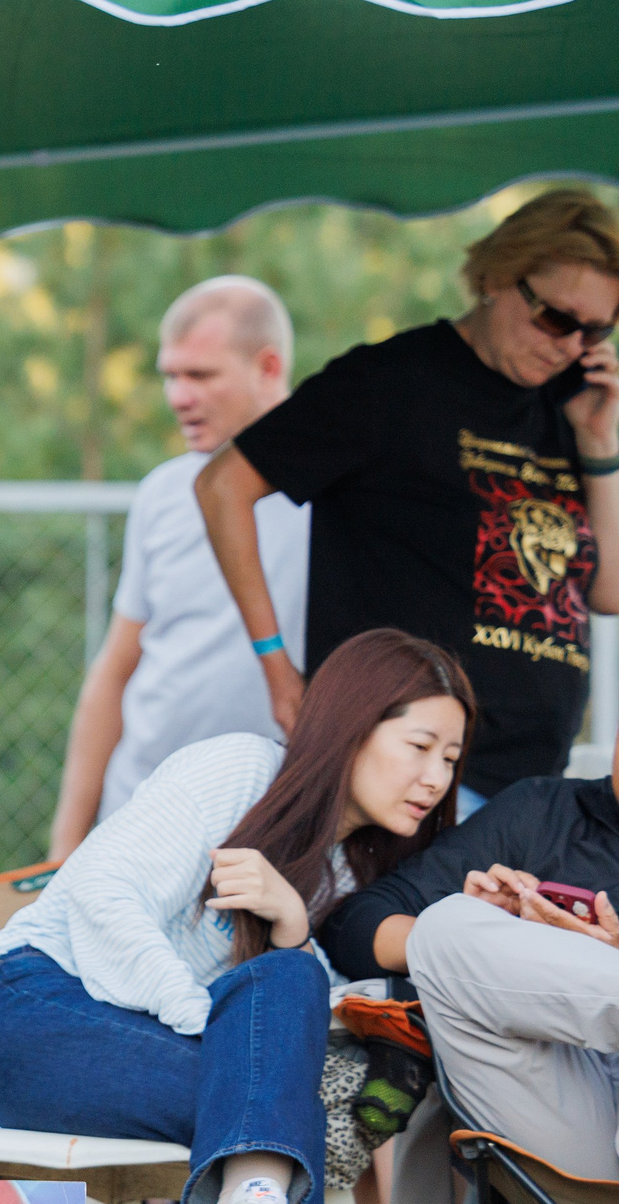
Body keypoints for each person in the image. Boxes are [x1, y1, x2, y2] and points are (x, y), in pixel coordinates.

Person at [0, 629, 467, 1204]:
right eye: (419, 745)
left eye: (452, 758)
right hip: (38, 1015)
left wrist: (297, 928)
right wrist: (205, 1024)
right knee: (273, 1102)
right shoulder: (241, 769)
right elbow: (98, 892)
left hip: (172, 1064)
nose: (436, 778)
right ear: (352, 725)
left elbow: (314, 1025)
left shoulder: (351, 880)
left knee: (280, 1016)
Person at [199, 189, 619, 816]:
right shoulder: (390, 381)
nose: (568, 345)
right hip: (407, 776)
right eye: (558, 318)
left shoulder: (571, 406)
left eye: (596, 331)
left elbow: (608, 592)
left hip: (531, 782)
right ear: (498, 276)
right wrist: (277, 669)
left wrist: (599, 446)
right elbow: (222, 485)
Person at [321, 745, 619, 1204]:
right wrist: (513, 941)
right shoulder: (547, 810)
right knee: (451, 924)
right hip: (579, 1141)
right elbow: (354, 923)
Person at [50, 278, 305, 858]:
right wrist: (65, 845)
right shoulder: (163, 492)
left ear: (268, 367)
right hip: (140, 816)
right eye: (170, 375)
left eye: (201, 375)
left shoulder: (333, 497)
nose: (177, 396)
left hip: (269, 825)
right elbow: (116, 669)